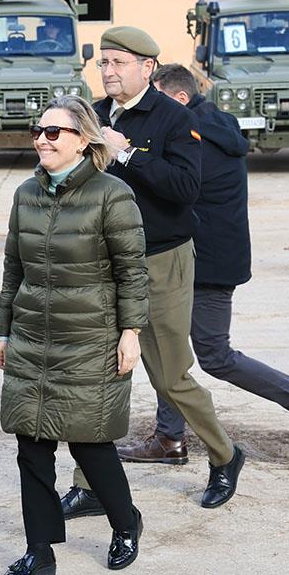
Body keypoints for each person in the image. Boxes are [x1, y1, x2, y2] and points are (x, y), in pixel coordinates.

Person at [61, 26, 245, 519]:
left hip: (161, 259)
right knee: (98, 376)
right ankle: (90, 483)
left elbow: (185, 187)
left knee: (169, 376)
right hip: (104, 261)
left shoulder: (173, 117)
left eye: (119, 63)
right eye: (103, 63)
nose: (108, 72)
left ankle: (225, 456)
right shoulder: (94, 115)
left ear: (147, 68)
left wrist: (125, 153)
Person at [0, 95, 149, 575]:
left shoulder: (112, 195)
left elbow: (132, 272)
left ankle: (125, 524)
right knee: (31, 448)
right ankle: (39, 551)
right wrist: (3, 329)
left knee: (90, 444)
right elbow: (13, 269)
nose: (42, 139)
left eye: (54, 132)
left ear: (83, 140)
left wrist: (131, 333)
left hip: (90, 338)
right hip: (33, 339)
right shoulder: (26, 193)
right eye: (39, 131)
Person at [149, 64, 289, 463]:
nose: (151, 107)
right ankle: (169, 438)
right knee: (170, 347)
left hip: (205, 261)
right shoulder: (217, 124)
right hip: (211, 256)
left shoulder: (194, 137)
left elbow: (176, 191)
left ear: (180, 99)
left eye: (157, 97)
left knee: (213, 354)